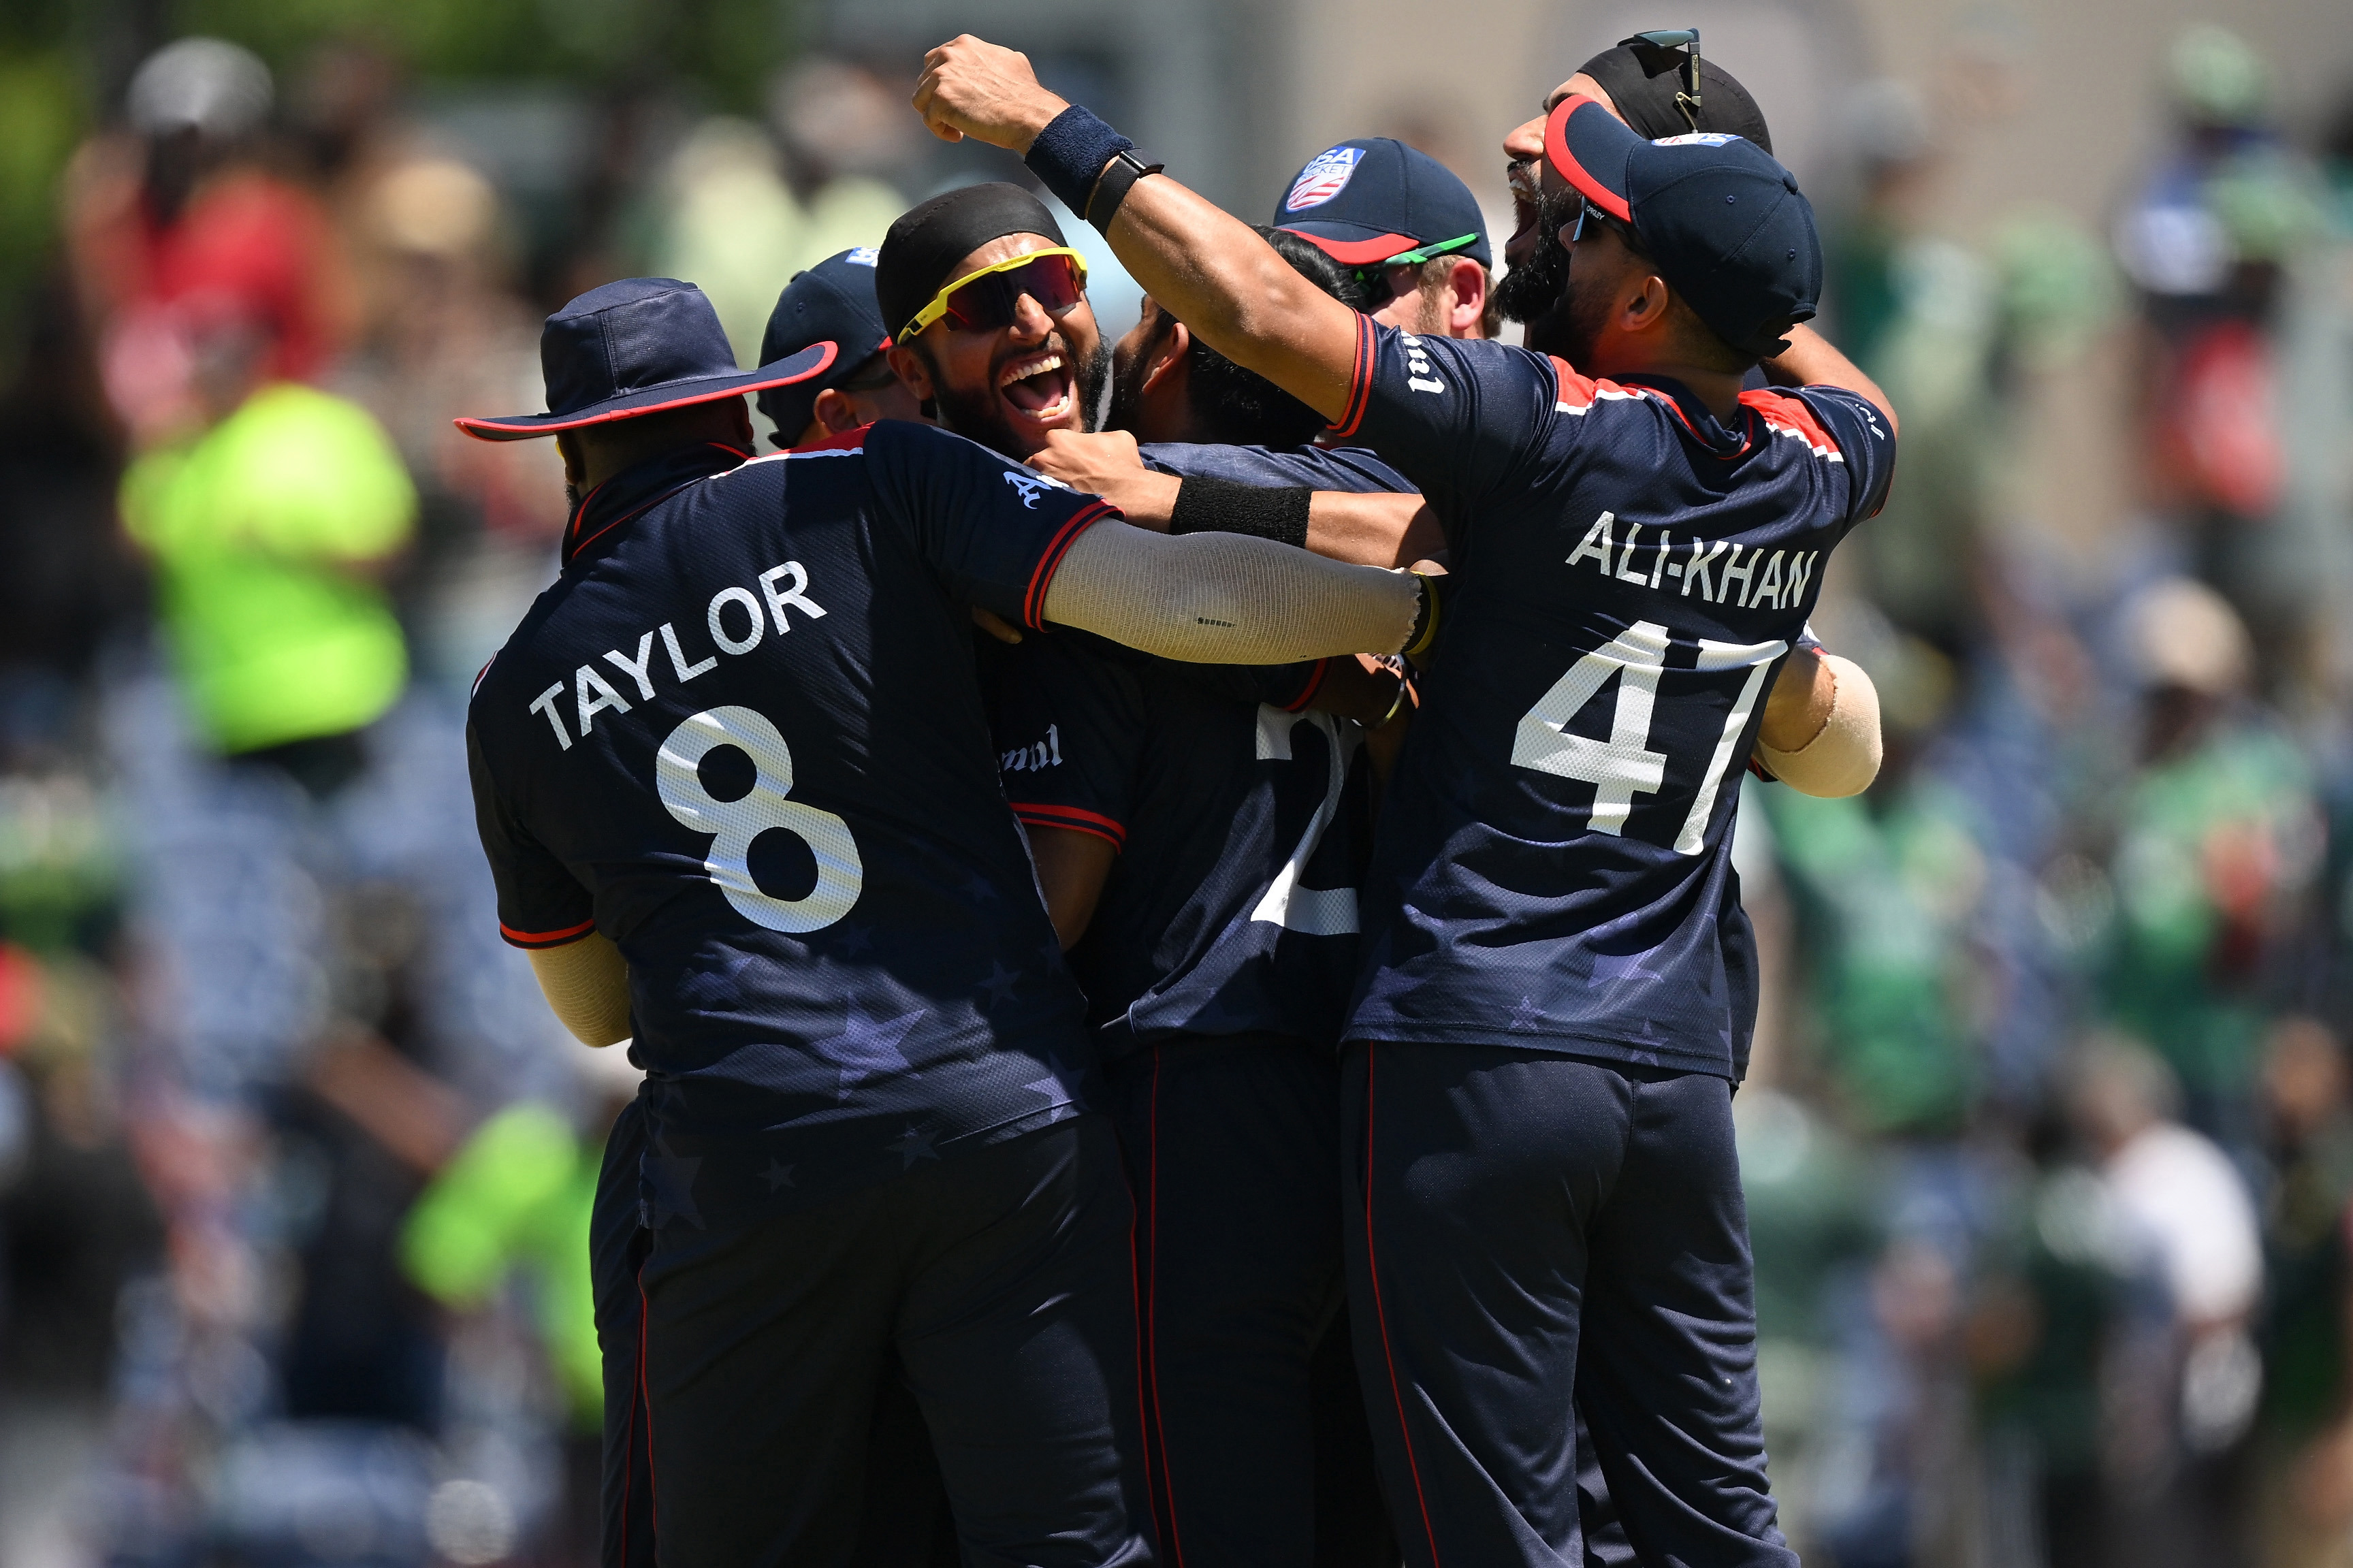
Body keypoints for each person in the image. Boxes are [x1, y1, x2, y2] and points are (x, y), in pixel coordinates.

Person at [914, 37, 1896, 1567]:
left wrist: (1048, 123)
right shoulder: (1825, 458)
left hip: (1471, 1054)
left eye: (1580, 223)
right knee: (1715, 1525)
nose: (1541, 241)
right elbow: (1836, 508)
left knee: (1494, 1535)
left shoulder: (1535, 425)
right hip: (1669, 1071)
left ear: (1639, 297)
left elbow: (1265, 324)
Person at [458, 274, 1432, 1565]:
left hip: (754, 1158)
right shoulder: (877, 482)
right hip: (1001, 1112)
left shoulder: (516, 691)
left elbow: (592, 1009)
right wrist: (1420, 614)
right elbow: (1168, 596)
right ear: (743, 414)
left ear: (571, 453)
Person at [885, 188, 1402, 1562]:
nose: (1040, 324)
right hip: (1359, 1086)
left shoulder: (1082, 586)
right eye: (983, 306)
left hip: (1197, 1093)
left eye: (1057, 286)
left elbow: (1052, 906)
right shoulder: (1312, 541)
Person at [1272, 136, 1499, 340]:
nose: (1315, 312)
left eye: (1359, 284)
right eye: (1298, 284)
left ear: (1462, 296)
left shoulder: (1532, 385)